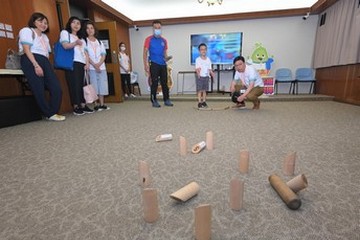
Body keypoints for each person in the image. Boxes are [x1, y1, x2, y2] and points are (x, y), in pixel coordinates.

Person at [19, 12, 65, 121]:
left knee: (56, 88)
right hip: (31, 59)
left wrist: (47, 66)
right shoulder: (27, 30)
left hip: (44, 60)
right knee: (38, 88)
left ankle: (52, 112)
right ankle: (49, 114)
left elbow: (46, 53)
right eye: (40, 21)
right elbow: (26, 49)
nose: (44, 24)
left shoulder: (45, 36)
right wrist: (36, 65)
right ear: (33, 21)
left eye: (46, 23)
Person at [60, 16, 93, 115]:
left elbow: (86, 52)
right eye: (74, 22)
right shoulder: (65, 33)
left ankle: (83, 104)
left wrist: (87, 63)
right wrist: (75, 43)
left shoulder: (81, 38)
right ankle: (75, 105)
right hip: (72, 62)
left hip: (81, 62)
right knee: (73, 84)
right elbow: (65, 46)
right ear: (69, 24)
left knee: (81, 84)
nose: (76, 25)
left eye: (78, 23)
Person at [143, 20, 173, 108]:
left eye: (159, 28)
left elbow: (165, 54)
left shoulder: (164, 40)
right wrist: (145, 65)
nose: (157, 29)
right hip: (154, 63)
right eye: (155, 28)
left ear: (161, 28)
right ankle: (154, 100)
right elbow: (145, 53)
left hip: (163, 64)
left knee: (164, 82)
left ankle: (166, 99)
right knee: (154, 82)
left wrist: (168, 58)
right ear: (153, 29)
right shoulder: (148, 39)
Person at [84, 21, 110, 111]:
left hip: (101, 67)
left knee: (102, 85)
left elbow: (103, 54)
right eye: (88, 28)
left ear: (95, 30)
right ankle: (96, 104)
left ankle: (102, 104)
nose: (90, 30)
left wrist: (99, 64)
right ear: (85, 30)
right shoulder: (85, 41)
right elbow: (86, 55)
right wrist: (94, 65)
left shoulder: (99, 42)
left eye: (92, 28)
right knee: (94, 86)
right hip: (91, 67)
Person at [195, 43, 215, 108]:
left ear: (206, 50)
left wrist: (212, 73)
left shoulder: (208, 59)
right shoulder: (198, 59)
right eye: (201, 49)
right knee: (199, 90)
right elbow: (197, 68)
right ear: (199, 51)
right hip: (200, 77)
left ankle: (204, 101)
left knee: (204, 90)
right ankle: (199, 102)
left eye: (205, 49)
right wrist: (198, 73)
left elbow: (209, 69)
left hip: (206, 77)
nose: (203, 51)